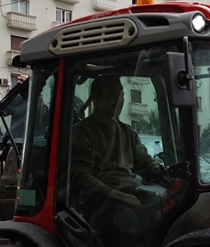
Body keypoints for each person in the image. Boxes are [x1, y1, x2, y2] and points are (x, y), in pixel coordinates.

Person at [70, 75, 167, 219]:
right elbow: (82, 176)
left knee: (162, 205)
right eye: (110, 96)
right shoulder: (82, 132)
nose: (117, 101)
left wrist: (167, 177)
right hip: (98, 198)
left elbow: (145, 163)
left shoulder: (127, 132)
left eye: (120, 95)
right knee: (126, 218)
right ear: (95, 98)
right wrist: (118, 196)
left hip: (128, 191)